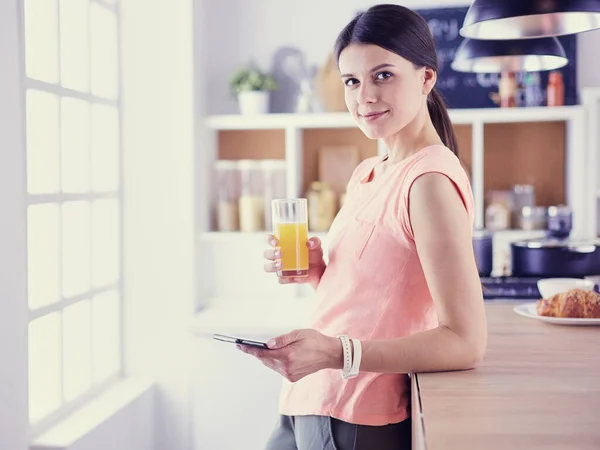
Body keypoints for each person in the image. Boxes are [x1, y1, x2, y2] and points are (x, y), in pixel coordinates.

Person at [237, 4, 488, 449]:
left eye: (383, 75)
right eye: (352, 80)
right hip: (307, 397)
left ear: (426, 78)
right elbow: (376, 300)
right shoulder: (370, 171)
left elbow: (465, 342)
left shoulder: (428, 181)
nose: (364, 96)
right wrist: (320, 271)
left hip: (357, 415)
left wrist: (336, 353)